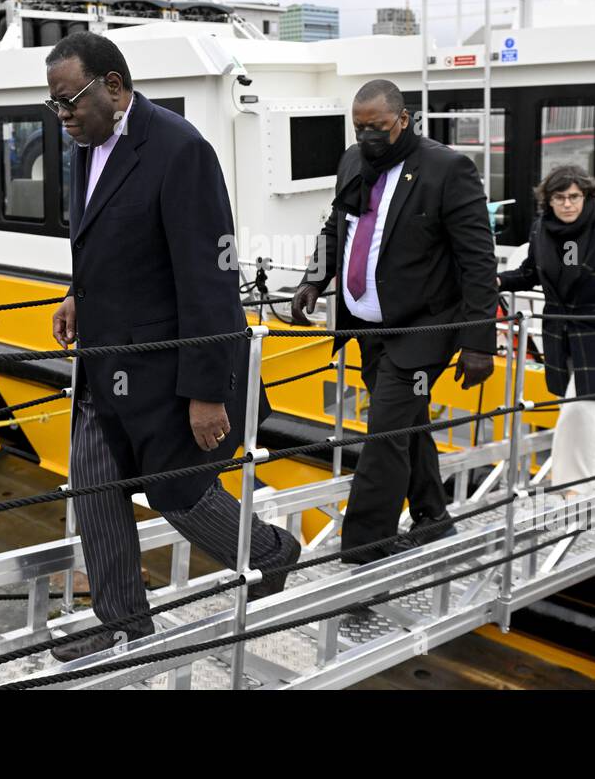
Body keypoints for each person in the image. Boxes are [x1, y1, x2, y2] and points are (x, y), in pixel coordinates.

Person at [47, 32, 299, 660]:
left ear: (113, 85)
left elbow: (209, 280)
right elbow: (106, 241)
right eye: (54, 105)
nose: (63, 115)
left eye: (70, 101)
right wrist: (79, 293)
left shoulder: (180, 150)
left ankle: (271, 550)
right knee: (94, 486)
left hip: (166, 369)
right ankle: (122, 622)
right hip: (104, 362)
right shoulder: (81, 147)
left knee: (175, 494)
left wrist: (207, 393)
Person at [291, 79, 498, 562]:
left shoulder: (447, 169)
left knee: (384, 434)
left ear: (403, 120)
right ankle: (434, 515)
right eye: (360, 128)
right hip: (367, 324)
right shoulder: (351, 160)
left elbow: (478, 261)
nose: (369, 138)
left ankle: (366, 549)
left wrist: (479, 343)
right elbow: (337, 227)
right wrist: (313, 281)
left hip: (424, 327)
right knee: (408, 421)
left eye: (378, 128)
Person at [497, 165, 595, 493]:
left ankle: (576, 486)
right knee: (573, 408)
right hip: (558, 334)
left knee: (578, 408)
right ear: (548, 201)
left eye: (575, 197)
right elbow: (529, 273)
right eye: (560, 197)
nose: (568, 204)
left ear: (587, 196)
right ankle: (580, 481)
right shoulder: (541, 230)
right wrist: (496, 280)